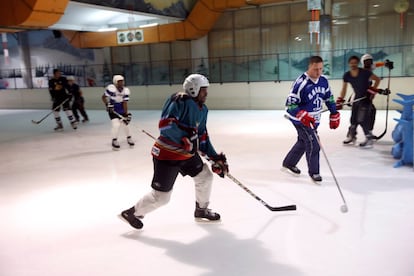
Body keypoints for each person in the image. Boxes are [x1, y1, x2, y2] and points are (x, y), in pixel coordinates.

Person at [119, 73, 229, 229]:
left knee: (205, 176)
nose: (206, 93)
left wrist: (216, 157)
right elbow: (166, 125)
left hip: (187, 155)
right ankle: (132, 213)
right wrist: (185, 138)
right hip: (167, 155)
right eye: (204, 90)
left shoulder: (203, 110)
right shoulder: (179, 100)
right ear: (193, 89)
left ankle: (201, 210)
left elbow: (202, 136)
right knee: (162, 198)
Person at [282, 56, 340, 182]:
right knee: (314, 143)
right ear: (309, 67)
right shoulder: (301, 83)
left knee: (303, 142)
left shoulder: (323, 81)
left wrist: (334, 112)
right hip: (301, 121)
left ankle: (289, 162)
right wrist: (301, 114)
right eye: (315, 69)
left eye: (321, 69)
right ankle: (314, 172)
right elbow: (290, 105)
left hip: (315, 119)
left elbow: (328, 98)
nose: (318, 72)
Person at [335, 55, 382, 148]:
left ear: (358, 63)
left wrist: (372, 90)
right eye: (351, 63)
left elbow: (377, 79)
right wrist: (340, 99)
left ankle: (368, 138)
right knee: (353, 119)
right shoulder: (347, 75)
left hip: (365, 99)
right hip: (357, 98)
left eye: (355, 63)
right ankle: (352, 136)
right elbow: (344, 89)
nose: (353, 64)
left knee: (362, 119)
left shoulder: (364, 72)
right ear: (349, 64)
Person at [101, 75, 134, 150]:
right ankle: (114, 140)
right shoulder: (111, 89)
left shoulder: (125, 90)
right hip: (113, 109)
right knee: (116, 125)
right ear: (115, 82)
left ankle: (129, 138)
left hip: (121, 109)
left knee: (126, 125)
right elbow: (103, 97)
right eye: (119, 81)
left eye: (122, 81)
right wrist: (107, 104)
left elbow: (125, 103)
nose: (121, 83)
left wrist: (126, 114)